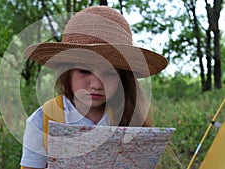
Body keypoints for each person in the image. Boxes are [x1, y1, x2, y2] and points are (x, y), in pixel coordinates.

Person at [20, 5, 168, 169]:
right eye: (84, 71)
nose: (97, 85)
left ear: (122, 78)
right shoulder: (42, 120)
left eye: (109, 73)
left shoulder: (127, 116)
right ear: (66, 72)